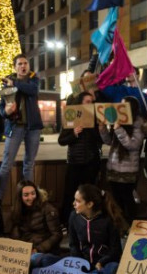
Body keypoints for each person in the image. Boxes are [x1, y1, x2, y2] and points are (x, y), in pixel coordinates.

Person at [0, 54, 42, 201]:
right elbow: (2, 110)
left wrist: (14, 83)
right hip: (15, 127)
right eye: (20, 64)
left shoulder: (33, 79)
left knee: (29, 164)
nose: (23, 66)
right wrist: (6, 112)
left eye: (25, 63)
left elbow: (32, 91)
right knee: (6, 164)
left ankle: (29, 198)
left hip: (33, 127)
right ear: (15, 67)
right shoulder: (7, 84)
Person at [58, 91, 103, 222]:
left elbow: (101, 140)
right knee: (70, 193)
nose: (90, 104)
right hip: (74, 162)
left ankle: (88, 220)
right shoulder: (71, 117)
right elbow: (62, 140)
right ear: (80, 103)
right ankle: (67, 221)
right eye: (87, 102)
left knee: (89, 193)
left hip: (91, 162)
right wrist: (74, 133)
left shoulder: (95, 118)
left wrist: (98, 128)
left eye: (92, 102)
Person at [99, 96, 144, 220]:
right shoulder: (118, 120)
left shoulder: (138, 124)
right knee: (116, 198)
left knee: (127, 198)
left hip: (128, 170)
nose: (120, 108)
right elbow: (109, 141)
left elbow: (132, 145)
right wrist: (103, 130)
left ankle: (131, 224)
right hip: (114, 168)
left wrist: (119, 129)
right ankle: (121, 225)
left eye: (124, 106)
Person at [68, 184, 126, 274]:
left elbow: (116, 250)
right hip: (83, 263)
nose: (73, 203)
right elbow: (73, 244)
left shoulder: (108, 220)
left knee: (114, 267)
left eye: (78, 201)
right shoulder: (74, 217)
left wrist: (101, 262)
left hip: (103, 264)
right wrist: (79, 263)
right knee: (48, 259)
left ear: (90, 204)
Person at [10, 181, 63, 269]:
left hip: (44, 251)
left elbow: (57, 235)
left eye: (33, 193)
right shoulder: (16, 210)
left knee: (35, 260)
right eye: (26, 195)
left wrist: (37, 249)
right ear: (20, 197)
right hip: (25, 251)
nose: (30, 197)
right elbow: (15, 235)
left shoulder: (48, 208)